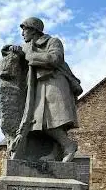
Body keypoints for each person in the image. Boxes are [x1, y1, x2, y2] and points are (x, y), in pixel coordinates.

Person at [10, 17, 82, 162]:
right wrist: (12, 50)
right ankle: (57, 152)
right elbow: (11, 53)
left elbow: (55, 59)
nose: (22, 33)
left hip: (55, 83)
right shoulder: (27, 47)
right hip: (39, 87)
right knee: (40, 121)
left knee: (52, 120)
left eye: (24, 30)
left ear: (34, 30)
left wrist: (29, 56)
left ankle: (69, 146)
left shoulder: (53, 41)